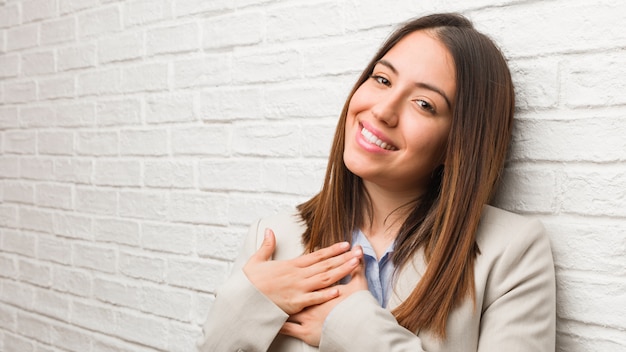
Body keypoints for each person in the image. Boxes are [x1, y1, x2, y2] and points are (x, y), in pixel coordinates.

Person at [198, 12, 556, 352]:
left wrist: (353, 328)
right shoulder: (274, 238)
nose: (383, 110)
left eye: (424, 104)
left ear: (458, 143)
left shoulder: (511, 251)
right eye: (382, 80)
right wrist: (243, 304)